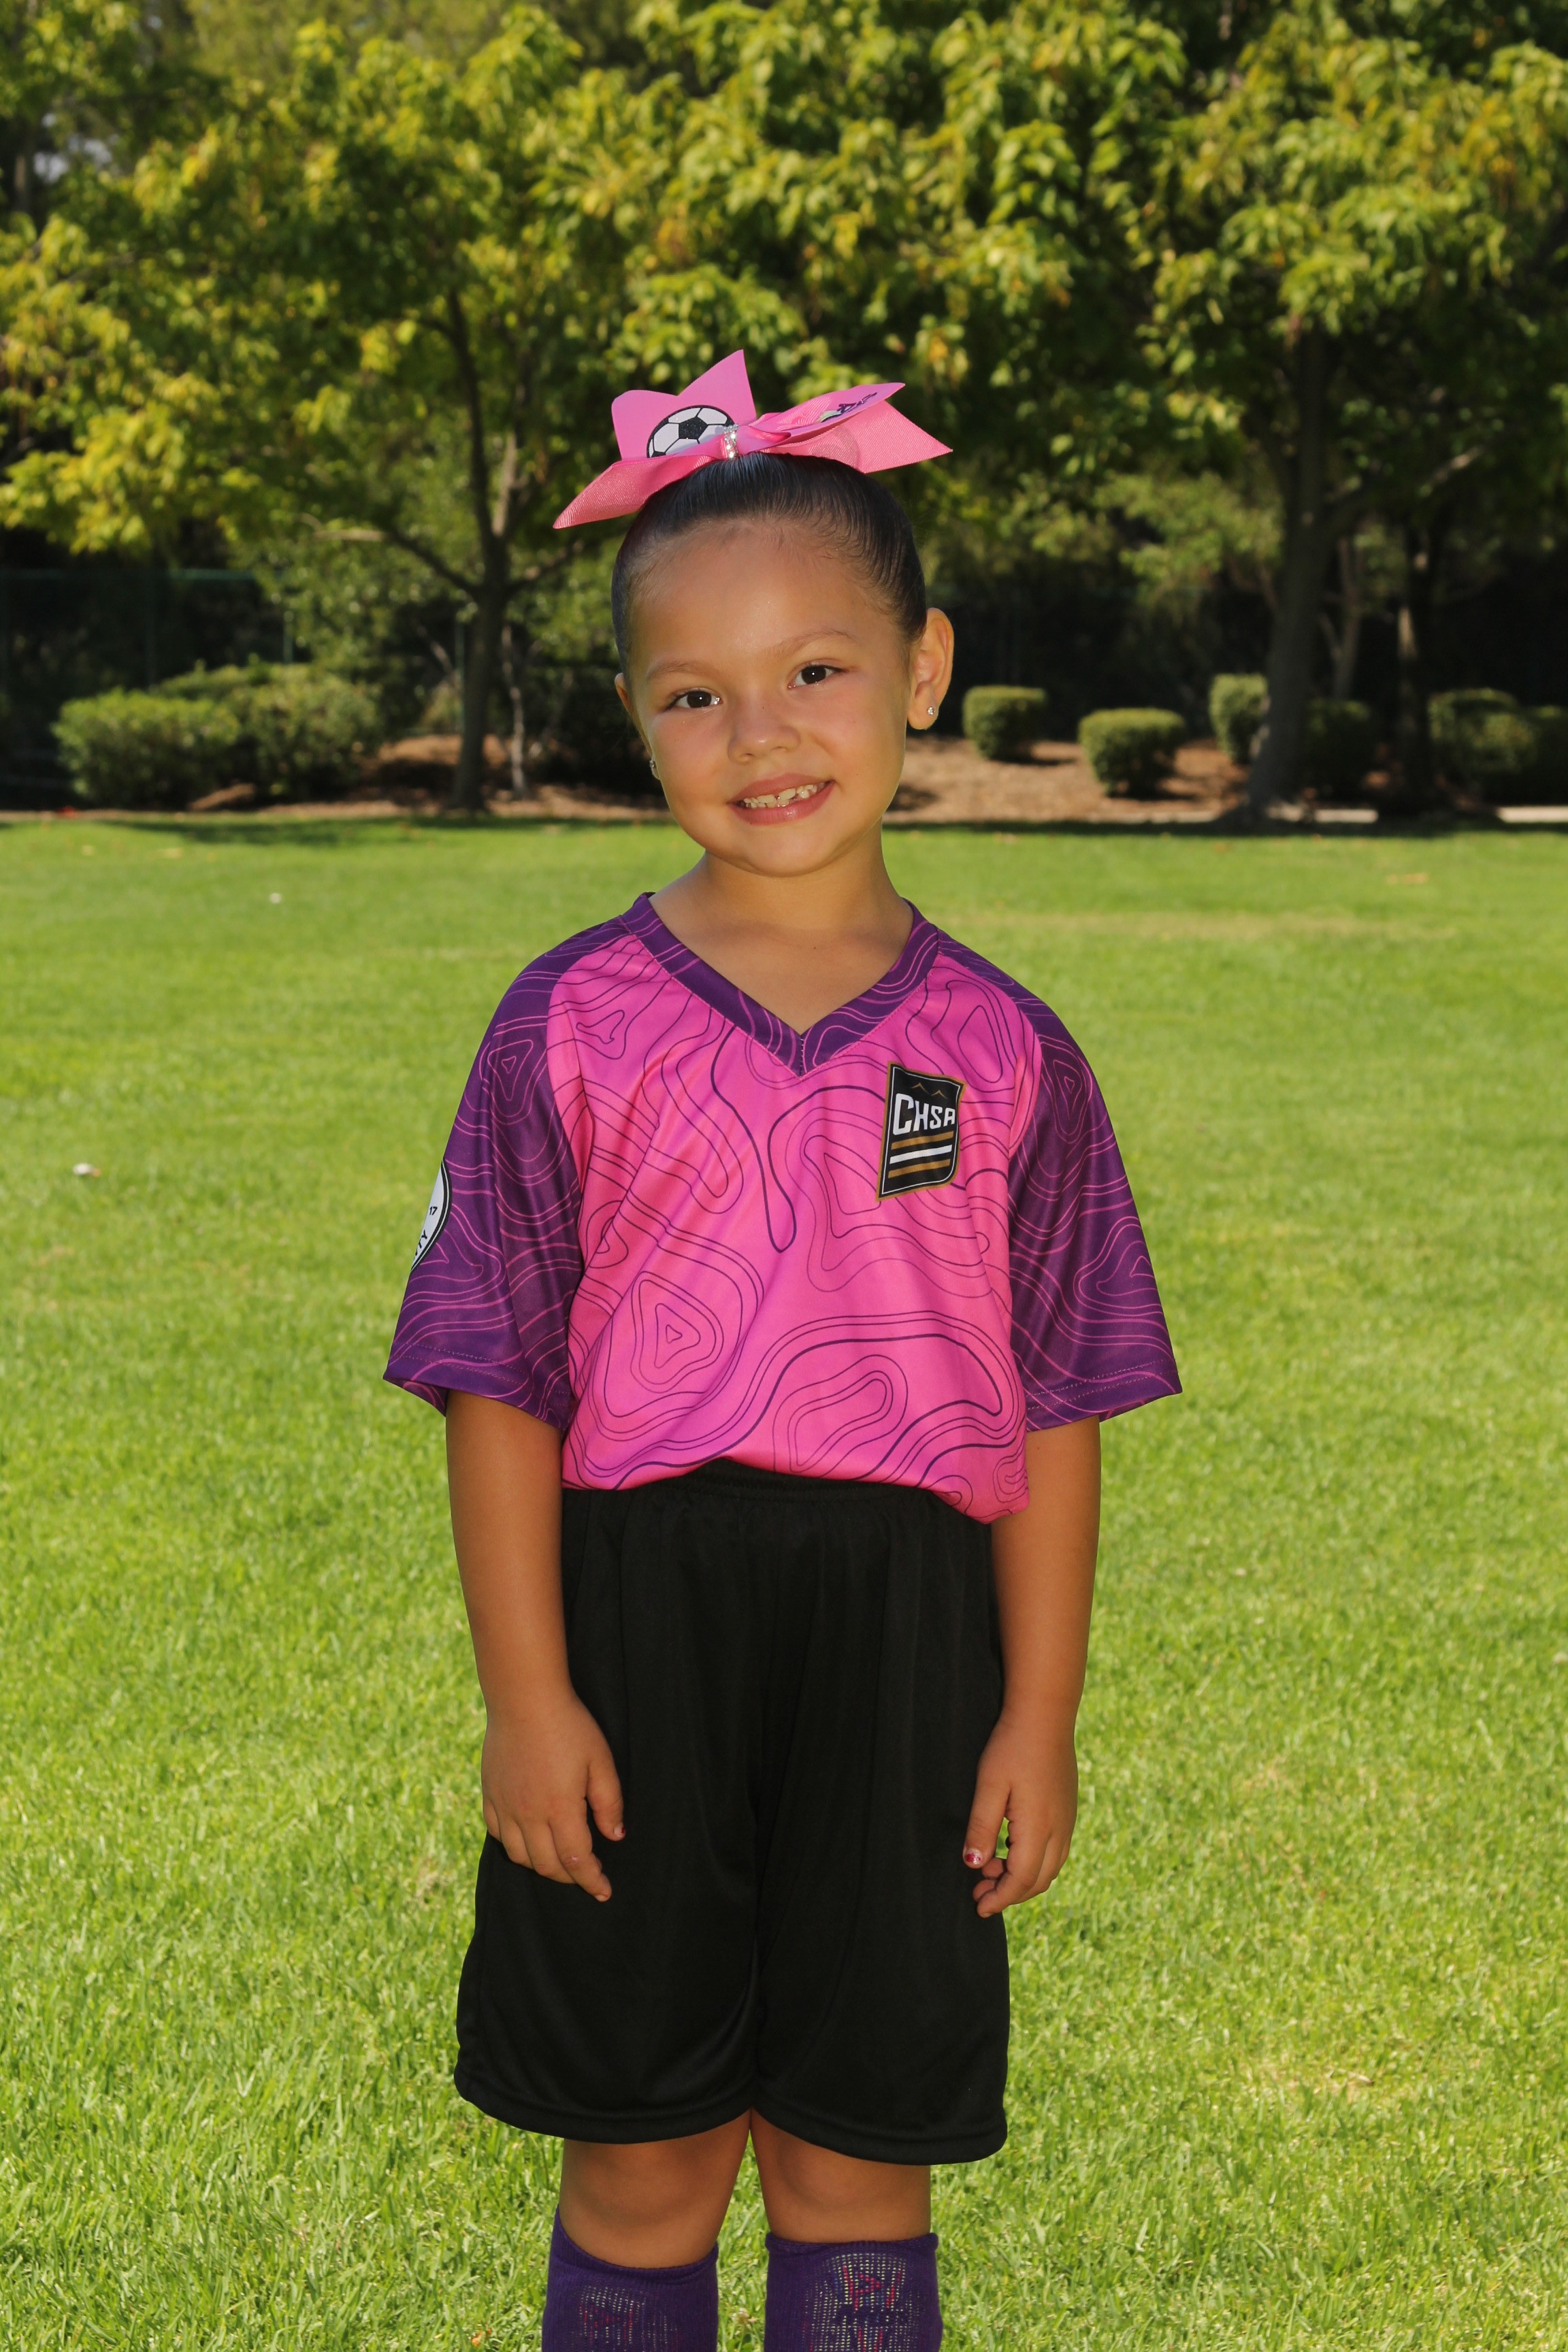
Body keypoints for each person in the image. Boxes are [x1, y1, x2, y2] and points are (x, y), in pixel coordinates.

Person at [386, 353, 1179, 2351]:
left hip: (909, 1641)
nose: (761, 734)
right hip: (638, 1622)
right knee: (642, 2162)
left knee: (854, 2161)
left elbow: (1057, 1399)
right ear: (635, 715)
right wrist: (527, 1700)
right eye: (694, 694)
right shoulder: (568, 1021)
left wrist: (1039, 1712)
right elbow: (498, 1381)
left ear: (924, 668)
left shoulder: (1007, 1050)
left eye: (815, 670)